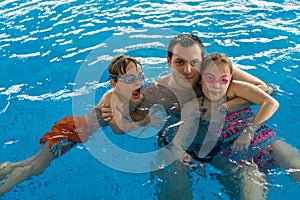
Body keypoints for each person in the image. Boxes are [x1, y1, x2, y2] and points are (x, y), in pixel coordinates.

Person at [100, 34, 275, 199]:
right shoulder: (157, 93)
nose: (188, 70)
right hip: (179, 145)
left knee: (243, 183)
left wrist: (222, 107)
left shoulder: (214, 74)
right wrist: (109, 106)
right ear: (168, 62)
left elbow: (265, 89)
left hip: (219, 143)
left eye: (194, 63)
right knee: (172, 171)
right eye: (179, 62)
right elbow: (126, 119)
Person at [0, 54, 161, 195]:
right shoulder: (114, 99)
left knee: (30, 162)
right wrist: (145, 121)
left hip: (75, 128)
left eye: (141, 76)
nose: (138, 82)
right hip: (70, 132)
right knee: (36, 167)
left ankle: (6, 169)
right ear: (114, 83)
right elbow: (118, 130)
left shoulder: (129, 95)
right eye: (130, 79)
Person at [172, 52, 300, 200]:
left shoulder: (234, 90)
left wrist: (249, 131)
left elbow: (271, 102)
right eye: (209, 78)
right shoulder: (193, 106)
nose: (216, 86)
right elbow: (181, 133)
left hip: (267, 142)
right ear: (201, 79)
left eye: (223, 80)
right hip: (239, 159)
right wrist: (182, 152)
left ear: (230, 79)